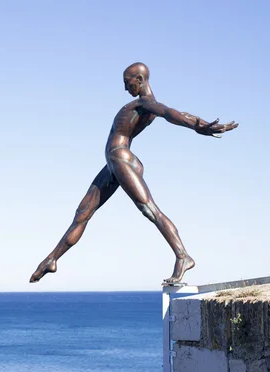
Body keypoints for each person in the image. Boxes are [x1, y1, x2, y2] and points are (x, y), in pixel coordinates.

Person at [29, 62, 239, 285]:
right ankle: (52, 259)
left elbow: (171, 114)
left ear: (139, 80)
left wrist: (197, 127)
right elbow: (178, 113)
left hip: (120, 158)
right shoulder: (149, 106)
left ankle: (182, 256)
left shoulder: (145, 103)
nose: (125, 88)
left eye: (127, 82)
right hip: (114, 162)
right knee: (82, 213)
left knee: (149, 209)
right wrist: (200, 123)